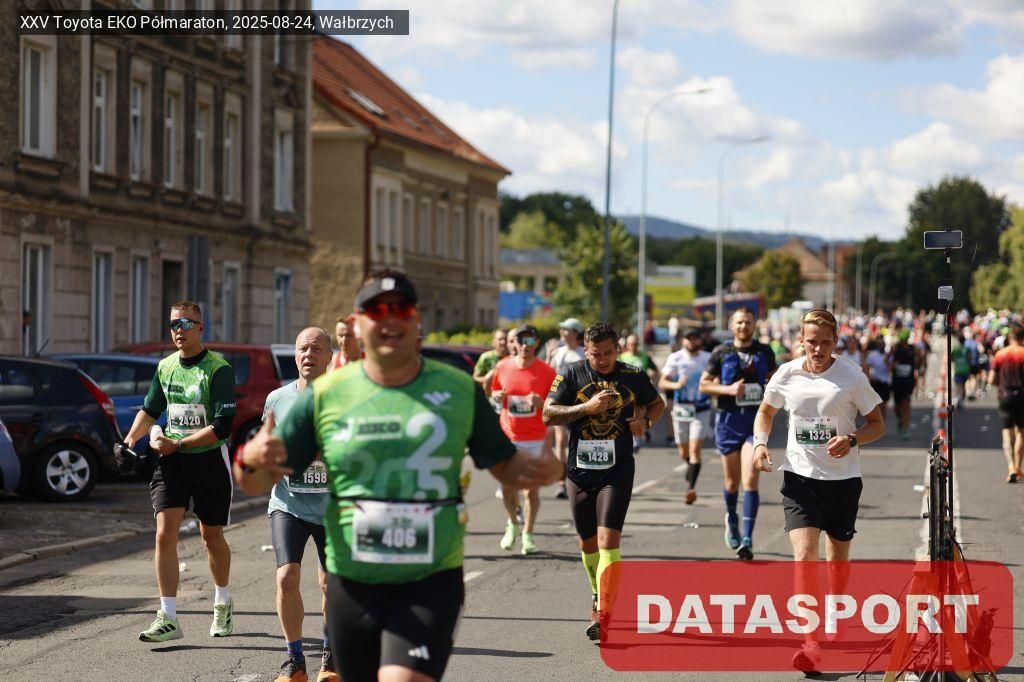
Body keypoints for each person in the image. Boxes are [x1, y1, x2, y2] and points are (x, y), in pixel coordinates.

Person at [237, 269, 561, 682]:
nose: (389, 319)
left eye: (401, 309)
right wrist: (250, 461)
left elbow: (504, 464)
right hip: (353, 578)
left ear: (416, 319)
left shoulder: (457, 390)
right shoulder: (326, 395)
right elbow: (256, 482)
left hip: (429, 575)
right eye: (377, 310)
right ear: (358, 323)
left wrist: (542, 469)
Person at [752, 309, 885, 672]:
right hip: (800, 478)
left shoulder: (851, 375)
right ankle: (809, 642)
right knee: (804, 556)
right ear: (801, 340)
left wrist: (853, 438)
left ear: (836, 341)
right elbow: (765, 412)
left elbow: (877, 423)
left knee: (837, 561)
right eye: (812, 341)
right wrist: (760, 444)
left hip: (843, 481)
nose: (818, 349)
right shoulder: (787, 373)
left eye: (826, 342)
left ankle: (835, 608)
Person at [543, 322, 665, 643]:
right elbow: (547, 414)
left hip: (618, 469)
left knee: (608, 540)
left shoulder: (633, 375)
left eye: (609, 353)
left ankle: (604, 611)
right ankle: (598, 593)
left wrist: (645, 422)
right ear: (586, 351)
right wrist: (586, 407)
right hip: (580, 471)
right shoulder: (572, 374)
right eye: (596, 354)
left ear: (618, 349)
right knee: (587, 543)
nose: (603, 359)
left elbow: (658, 404)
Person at [124, 301, 237, 643]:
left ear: (201, 328)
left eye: (186, 323)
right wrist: (129, 441)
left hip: (208, 460)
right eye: (174, 324)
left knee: (211, 537)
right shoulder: (166, 366)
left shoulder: (218, 369)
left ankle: (223, 600)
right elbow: (150, 410)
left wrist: (180, 444)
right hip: (172, 462)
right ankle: (168, 617)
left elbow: (222, 427)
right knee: (164, 534)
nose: (179, 330)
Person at [241, 327, 336, 682]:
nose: (308, 354)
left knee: (330, 583)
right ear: (295, 356)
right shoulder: (277, 399)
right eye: (302, 349)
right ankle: (295, 661)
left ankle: (331, 657)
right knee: (286, 577)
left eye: (316, 348)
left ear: (330, 357)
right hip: (288, 503)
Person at [698, 307, 777, 561]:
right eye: (739, 322)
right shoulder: (721, 352)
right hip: (728, 422)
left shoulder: (764, 351)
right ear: (732, 325)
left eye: (748, 322)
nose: (744, 326)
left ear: (755, 325)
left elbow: (776, 379)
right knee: (732, 483)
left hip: (755, 423)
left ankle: (747, 539)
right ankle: (732, 519)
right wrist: (729, 390)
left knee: (750, 480)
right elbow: (704, 384)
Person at [490, 324, 556, 554]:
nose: (524, 346)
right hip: (508, 436)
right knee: (508, 489)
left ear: (536, 343)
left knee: (530, 491)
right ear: (515, 343)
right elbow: (494, 391)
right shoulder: (503, 366)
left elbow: (557, 405)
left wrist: (542, 404)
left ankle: (528, 534)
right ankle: (512, 523)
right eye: (520, 341)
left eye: (529, 341)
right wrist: (497, 396)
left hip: (535, 438)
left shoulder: (547, 372)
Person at [659, 328, 712, 505]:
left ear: (700, 341)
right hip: (681, 408)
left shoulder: (707, 358)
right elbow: (662, 382)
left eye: (695, 338)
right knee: (684, 452)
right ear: (683, 340)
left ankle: (691, 488)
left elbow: (716, 379)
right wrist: (676, 385)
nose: (691, 341)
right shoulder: (676, 358)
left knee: (695, 449)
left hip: (701, 408)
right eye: (688, 339)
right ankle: (691, 468)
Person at [548, 318, 586, 499]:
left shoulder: (583, 353)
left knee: (576, 441)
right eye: (561, 329)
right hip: (561, 402)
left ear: (575, 333)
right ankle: (561, 482)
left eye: (565, 329)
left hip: (579, 404)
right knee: (561, 440)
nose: (562, 332)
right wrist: (549, 357)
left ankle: (578, 478)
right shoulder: (559, 352)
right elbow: (550, 375)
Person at [988, 322, 1024, 483]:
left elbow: (991, 379)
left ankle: (1010, 467)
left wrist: (1002, 385)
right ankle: (1018, 466)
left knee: (1007, 433)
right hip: (1021, 397)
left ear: (1010, 337)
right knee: (1020, 432)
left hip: (1004, 396)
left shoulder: (1000, 355)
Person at [620, 334, 659, 444]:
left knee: (638, 412)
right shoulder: (622, 357)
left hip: (640, 390)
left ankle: (637, 439)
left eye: (635, 344)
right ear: (627, 345)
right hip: (626, 391)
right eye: (631, 344)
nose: (633, 346)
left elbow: (656, 371)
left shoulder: (645, 356)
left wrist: (653, 383)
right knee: (630, 414)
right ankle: (637, 437)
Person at [890, 329, 917, 441]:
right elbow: (887, 363)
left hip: (908, 381)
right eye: (902, 340)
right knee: (897, 406)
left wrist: (919, 370)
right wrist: (893, 364)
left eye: (905, 339)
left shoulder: (913, 349)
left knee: (906, 405)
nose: (904, 341)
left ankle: (906, 429)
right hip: (897, 381)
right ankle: (900, 420)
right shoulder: (895, 349)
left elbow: (918, 360)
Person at [473, 328, 509, 399]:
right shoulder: (486, 357)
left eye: (506, 339)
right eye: (500, 339)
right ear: (494, 341)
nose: (503, 342)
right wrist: (488, 379)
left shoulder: (514, 358)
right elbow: (475, 378)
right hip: (490, 397)